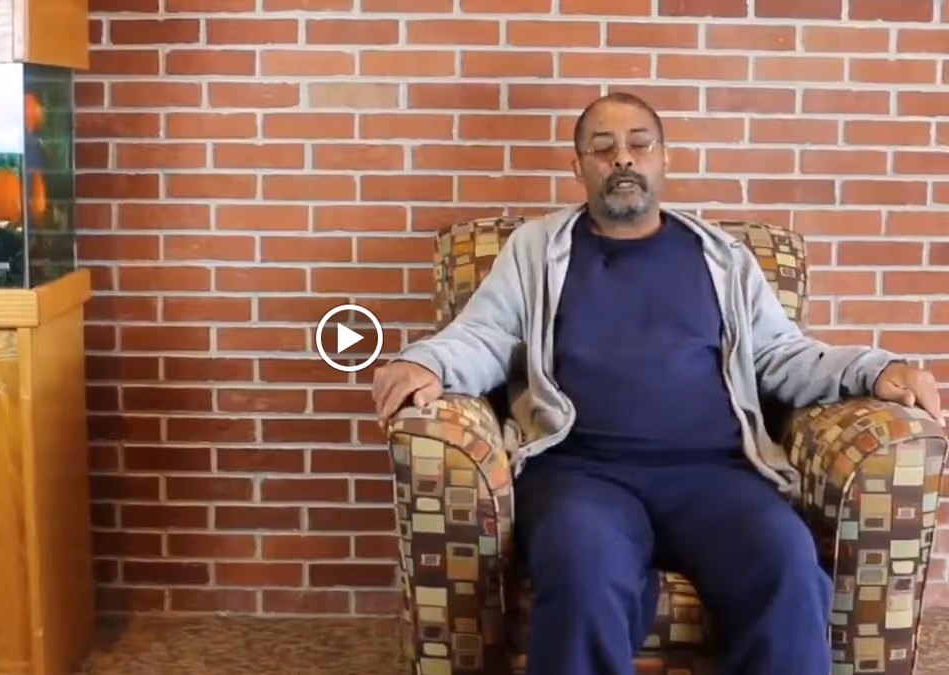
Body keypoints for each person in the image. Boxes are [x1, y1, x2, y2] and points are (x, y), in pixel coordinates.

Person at [370, 92, 944, 675]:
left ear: (663, 158)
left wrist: (876, 369)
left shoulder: (723, 256)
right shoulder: (536, 250)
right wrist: (429, 362)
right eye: (603, 148)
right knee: (582, 568)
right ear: (579, 167)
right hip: (580, 473)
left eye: (639, 145)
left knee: (788, 566)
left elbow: (782, 356)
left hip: (714, 475)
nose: (623, 159)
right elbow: (485, 335)